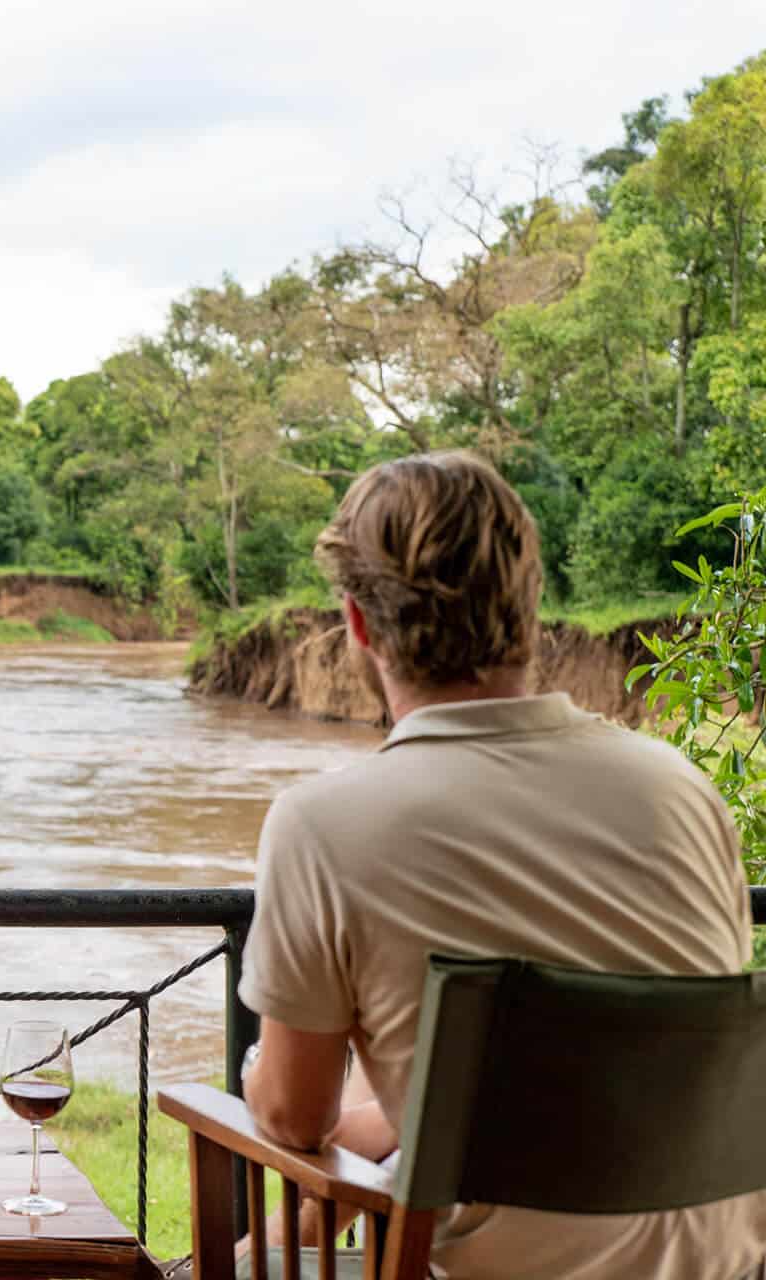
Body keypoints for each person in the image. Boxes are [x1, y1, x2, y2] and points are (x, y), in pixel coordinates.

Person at [237, 452, 766, 1279]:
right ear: (531, 606)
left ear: (359, 625)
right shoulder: (682, 790)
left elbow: (292, 1120)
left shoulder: (323, 824)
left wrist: (262, 1082)